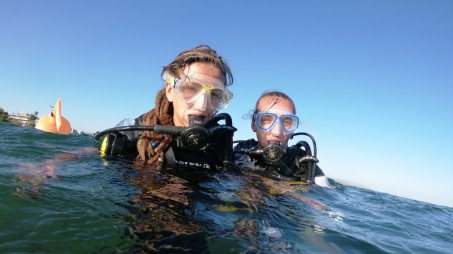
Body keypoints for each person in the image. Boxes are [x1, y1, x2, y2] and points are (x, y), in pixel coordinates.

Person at [97, 45, 235, 171]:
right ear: (170, 90)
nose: (202, 105)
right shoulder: (136, 133)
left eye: (215, 94)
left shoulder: (221, 145)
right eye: (191, 88)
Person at [234, 90, 330, 187]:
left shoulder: (302, 162)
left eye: (286, 122)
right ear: (254, 124)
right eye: (266, 119)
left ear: (292, 130)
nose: (277, 132)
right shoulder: (242, 149)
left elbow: (325, 196)